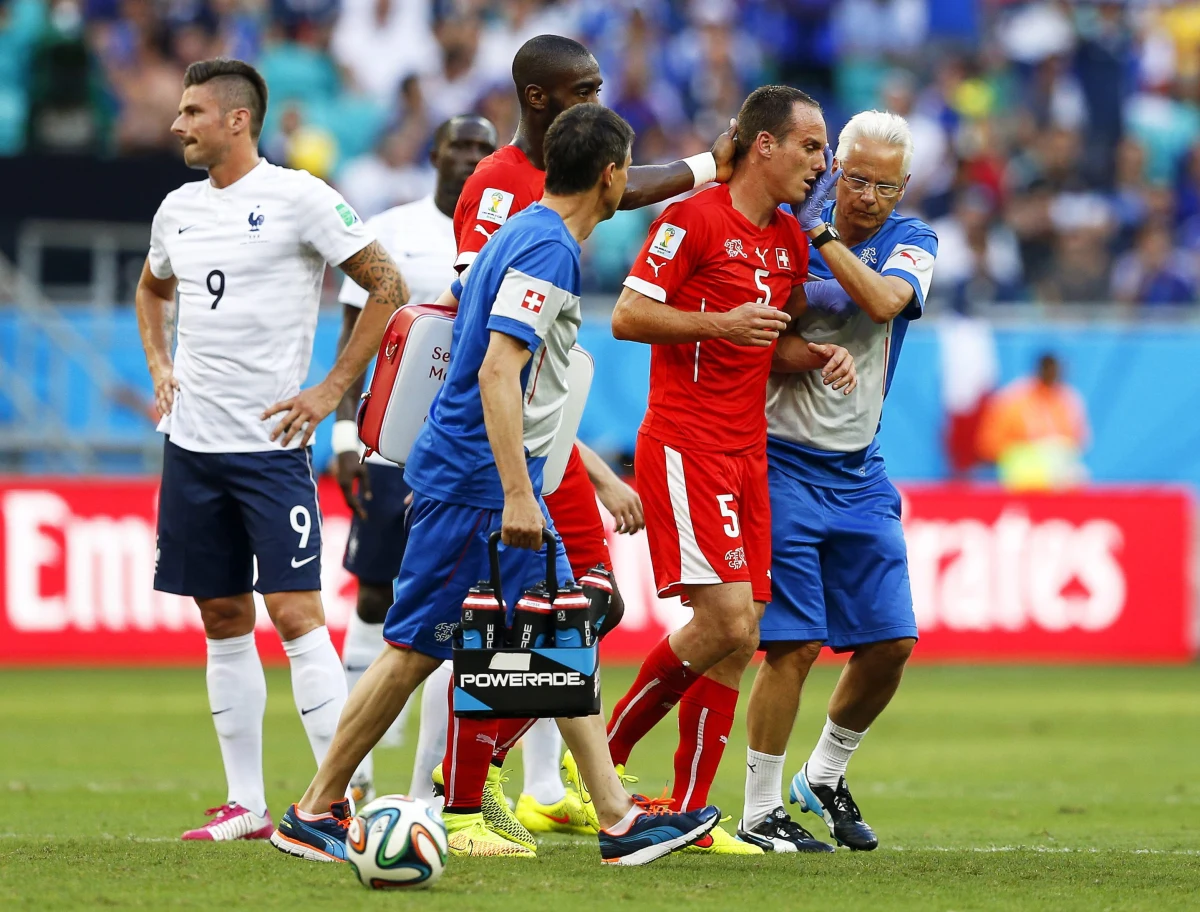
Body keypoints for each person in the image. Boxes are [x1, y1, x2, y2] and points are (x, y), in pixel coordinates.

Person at [270, 103, 721, 866]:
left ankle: (615, 818)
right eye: (627, 168)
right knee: (413, 648)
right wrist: (517, 492)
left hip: (480, 473)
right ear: (611, 177)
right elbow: (497, 368)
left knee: (555, 632)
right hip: (480, 479)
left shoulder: (522, 231)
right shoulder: (547, 249)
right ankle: (313, 808)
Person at [432, 33, 739, 852]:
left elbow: (626, 186)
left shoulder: (566, 197)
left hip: (543, 446)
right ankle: (460, 790)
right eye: (586, 87)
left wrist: (711, 166)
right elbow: (492, 349)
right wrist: (530, 478)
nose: (599, 97)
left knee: (573, 611)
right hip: (500, 452)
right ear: (540, 98)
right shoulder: (504, 194)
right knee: (474, 629)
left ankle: (585, 804)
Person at [134, 58, 407, 842]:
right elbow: (152, 289)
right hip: (191, 446)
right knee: (221, 614)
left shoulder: (300, 197)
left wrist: (329, 392)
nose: (179, 124)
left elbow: (384, 283)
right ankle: (246, 803)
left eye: (192, 111)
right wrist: (160, 364)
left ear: (236, 120)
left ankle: (335, 803)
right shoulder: (177, 209)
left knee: (294, 613)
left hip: (269, 446)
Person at [605, 85, 857, 853]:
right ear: (763, 146)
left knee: (740, 638)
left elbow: (762, 344)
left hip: (748, 451)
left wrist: (814, 356)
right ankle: (606, 765)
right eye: (812, 146)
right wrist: (719, 320)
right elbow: (627, 315)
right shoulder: (692, 218)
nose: (824, 163)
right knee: (726, 622)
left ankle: (688, 806)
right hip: (686, 444)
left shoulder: (787, 241)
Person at [738, 110, 938, 853]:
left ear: (903, 188)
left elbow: (887, 302)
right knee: (793, 645)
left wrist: (820, 238)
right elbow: (764, 321)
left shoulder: (911, 242)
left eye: (884, 186)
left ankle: (821, 776)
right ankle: (759, 811)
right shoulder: (776, 231)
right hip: (781, 457)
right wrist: (806, 343)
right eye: (854, 179)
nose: (867, 198)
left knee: (892, 641)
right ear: (833, 169)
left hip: (859, 469)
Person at [332, 114, 499, 808]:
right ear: (433, 152)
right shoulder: (395, 228)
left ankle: (438, 782)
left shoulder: (501, 228)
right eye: (460, 144)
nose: (471, 157)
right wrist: (344, 435)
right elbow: (355, 335)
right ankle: (356, 758)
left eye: (484, 149)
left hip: (468, 442)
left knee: (456, 608)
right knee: (375, 589)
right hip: (393, 437)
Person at [976, 351, 1089, 490]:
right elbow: (989, 442)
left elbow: (1078, 441)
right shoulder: (1013, 398)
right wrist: (1029, 452)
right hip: (1022, 468)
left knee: (1076, 474)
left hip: (1059, 470)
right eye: (1050, 370)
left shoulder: (1068, 399)